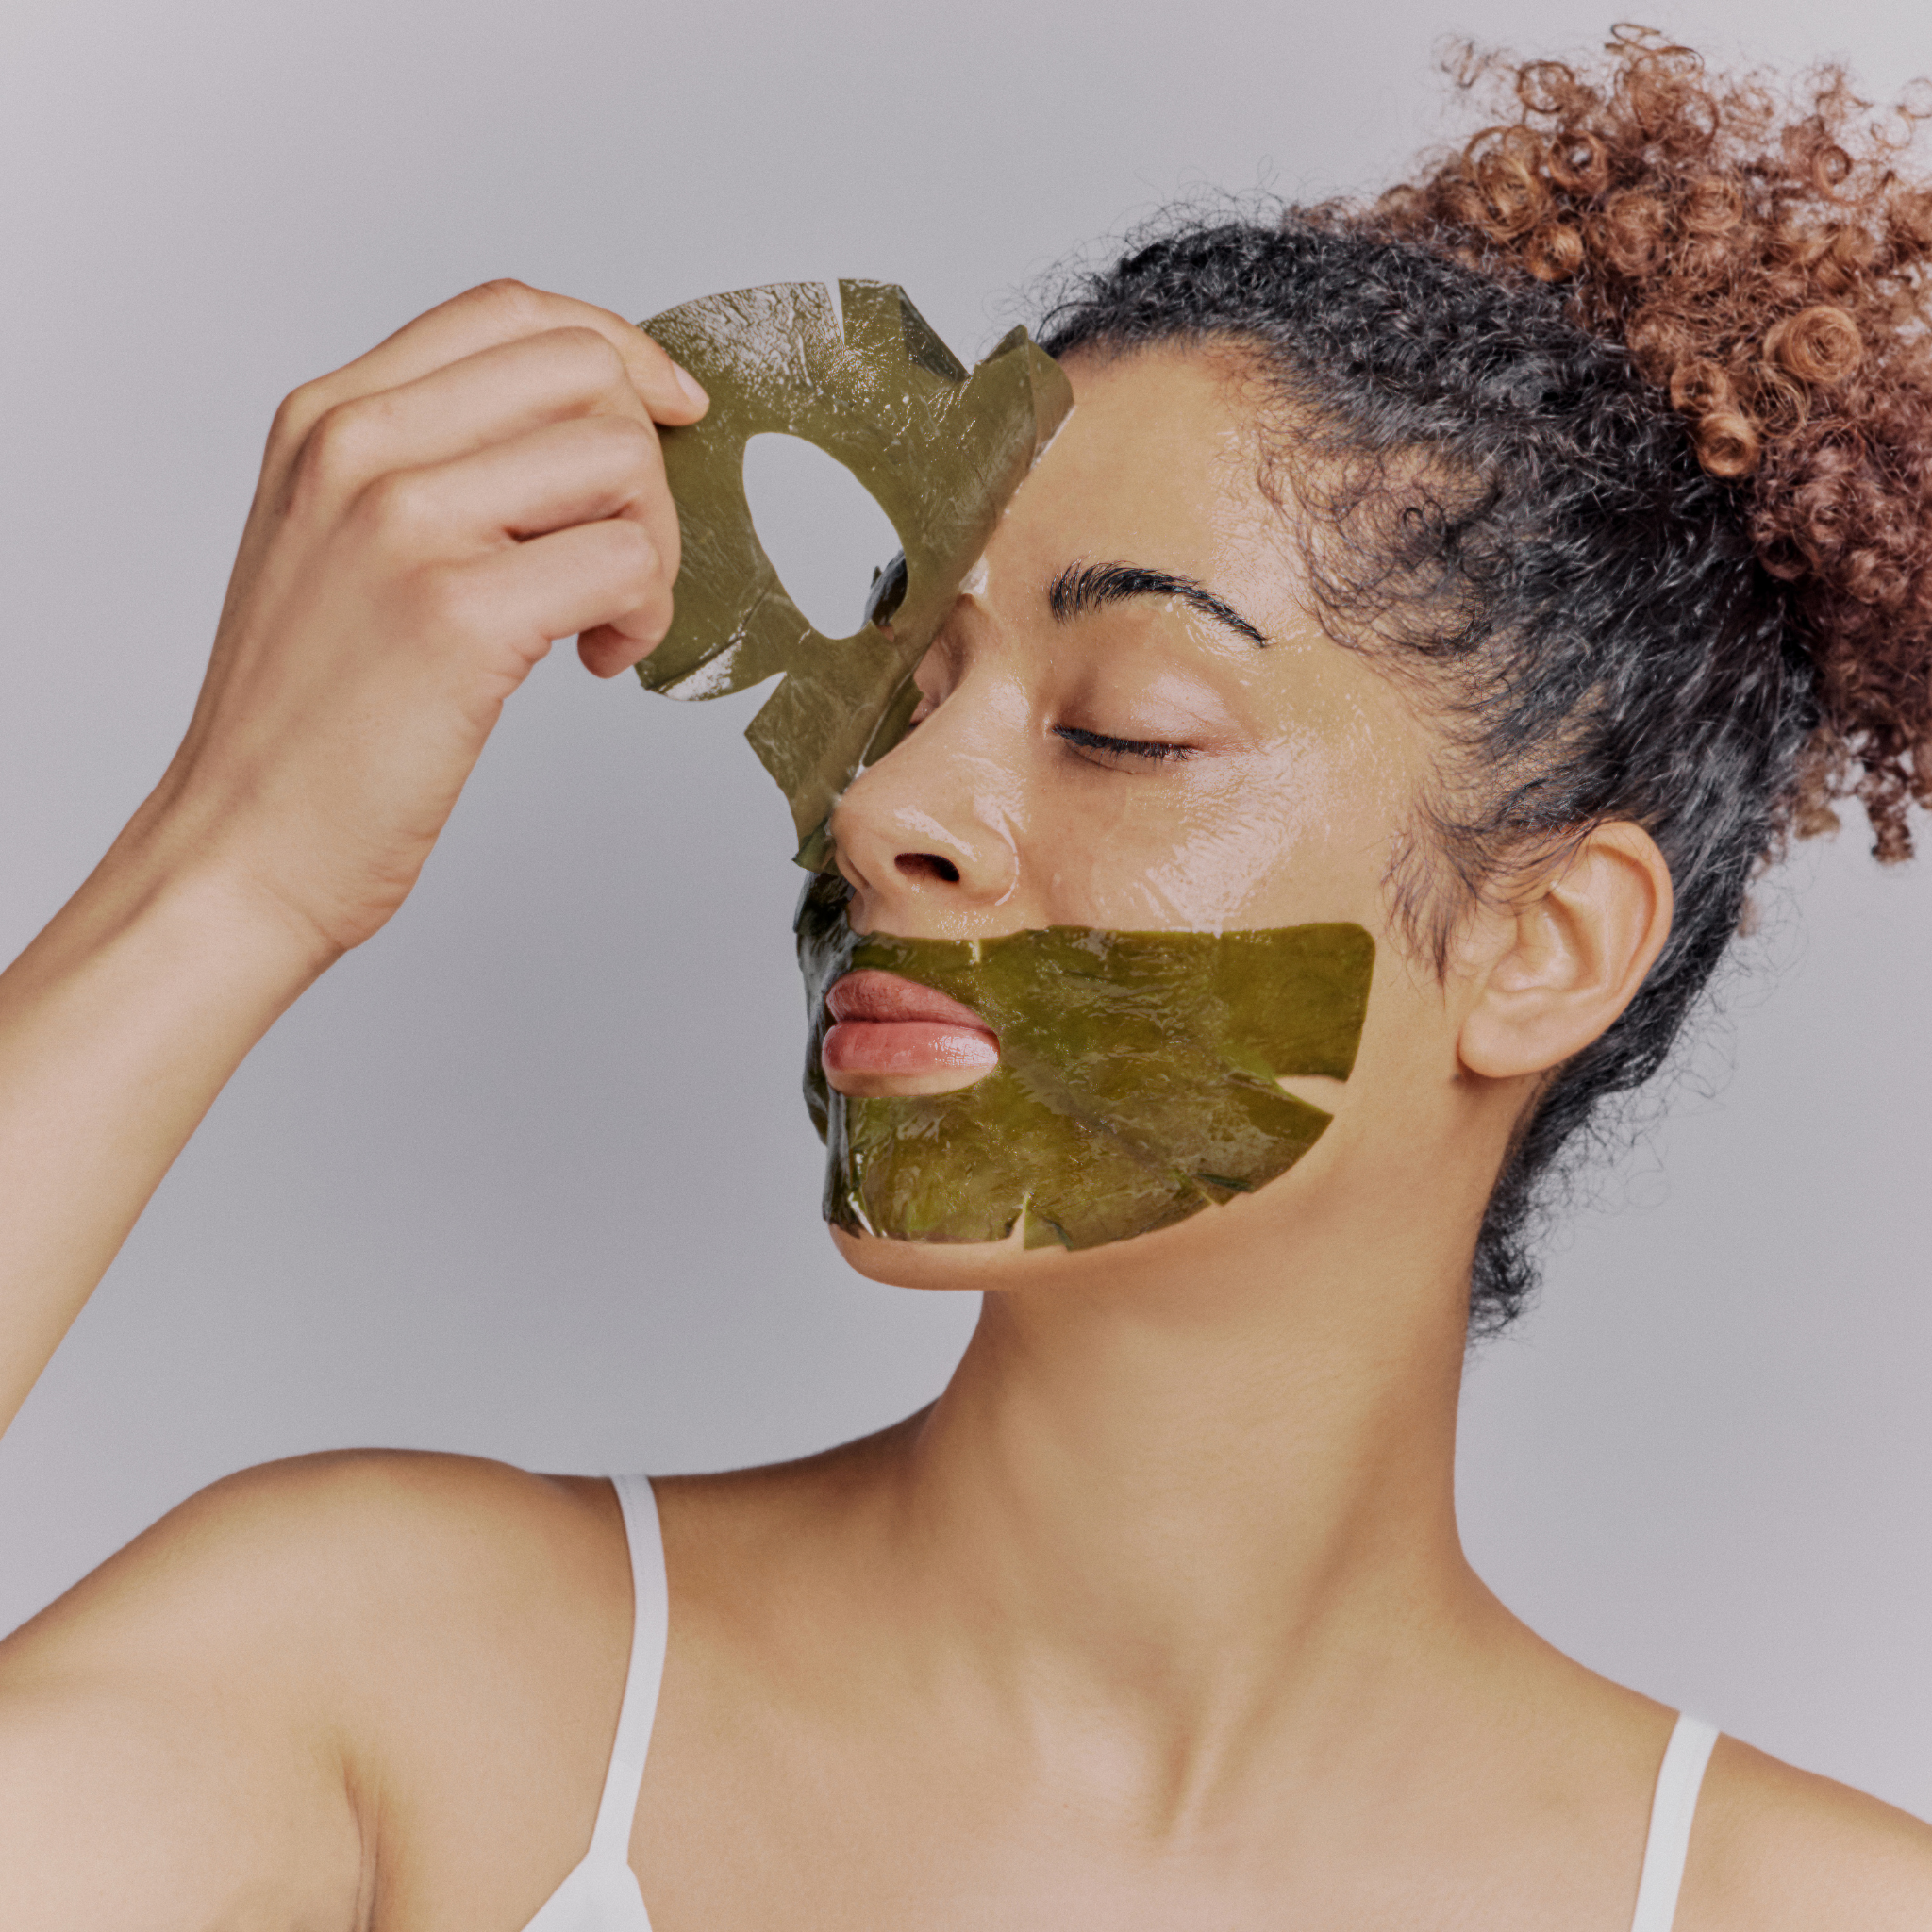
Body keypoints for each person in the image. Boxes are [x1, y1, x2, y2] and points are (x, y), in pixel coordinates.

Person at [2, 30, 1930, 1929]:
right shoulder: (393, 1687)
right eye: (904, 695)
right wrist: (230, 872)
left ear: (1542, 949)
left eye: (1123, 729)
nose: (883, 810)